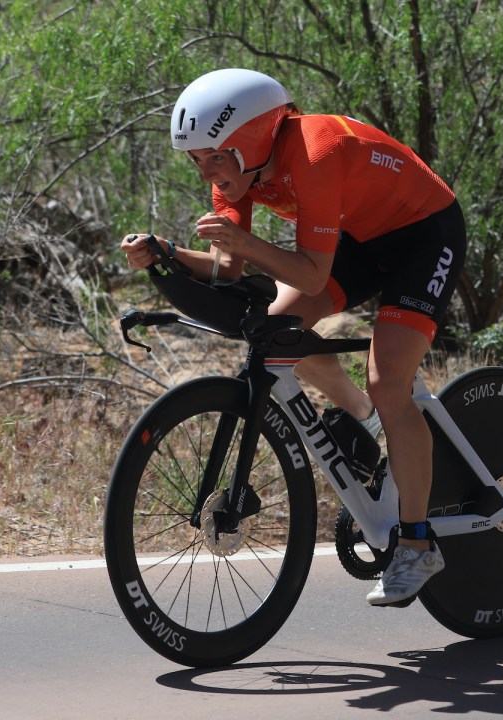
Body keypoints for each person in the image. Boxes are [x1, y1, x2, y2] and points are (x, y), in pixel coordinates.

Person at [121, 68, 466, 606]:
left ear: (255, 137)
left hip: (424, 234)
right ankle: (363, 417)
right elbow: (229, 269)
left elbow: (307, 273)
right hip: (361, 236)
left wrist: (243, 240)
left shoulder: (316, 151)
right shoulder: (236, 168)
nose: (207, 171)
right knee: (275, 330)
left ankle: (417, 546)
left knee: (388, 378)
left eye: (215, 156)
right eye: (197, 159)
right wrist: (167, 253)